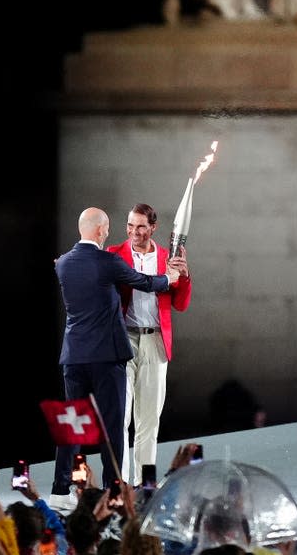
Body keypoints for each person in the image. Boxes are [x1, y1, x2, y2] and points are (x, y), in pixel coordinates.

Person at [50, 207, 180, 514]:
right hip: (106, 357)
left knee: (71, 425)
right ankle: (113, 490)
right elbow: (144, 282)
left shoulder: (63, 264)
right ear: (98, 231)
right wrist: (169, 277)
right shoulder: (109, 262)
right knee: (112, 424)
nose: (110, 233)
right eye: (107, 228)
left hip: (73, 357)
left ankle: (59, 490)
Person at [107, 203, 192, 486]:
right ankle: (119, 484)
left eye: (141, 226)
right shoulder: (113, 255)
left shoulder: (168, 257)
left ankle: (144, 485)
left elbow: (180, 304)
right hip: (123, 340)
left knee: (149, 419)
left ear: (153, 228)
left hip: (155, 342)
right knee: (120, 417)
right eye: (130, 225)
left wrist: (184, 277)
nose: (134, 232)